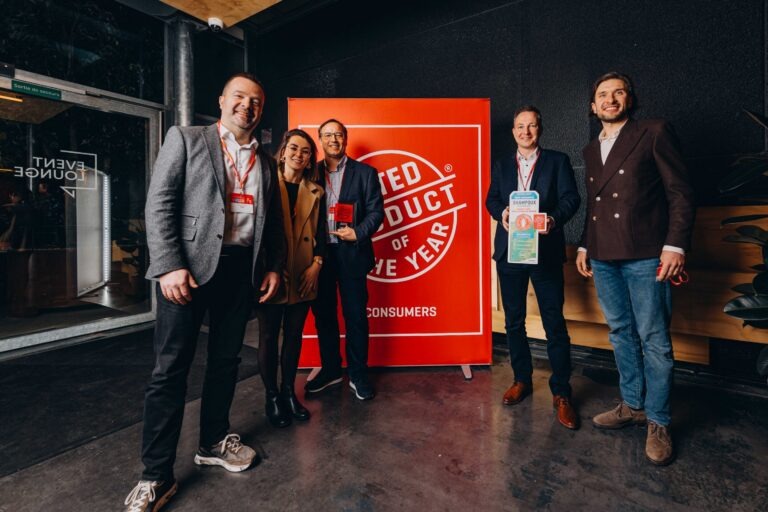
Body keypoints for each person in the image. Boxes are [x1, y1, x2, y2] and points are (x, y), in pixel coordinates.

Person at [123, 72, 285, 511]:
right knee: (170, 370)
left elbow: (272, 222)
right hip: (188, 272)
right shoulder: (187, 138)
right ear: (222, 100)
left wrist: (272, 266)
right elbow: (160, 203)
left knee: (226, 362)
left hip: (241, 272)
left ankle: (213, 442)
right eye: (239, 97)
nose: (247, 106)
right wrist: (168, 264)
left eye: (255, 101)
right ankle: (156, 474)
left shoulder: (266, 162)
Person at [575, 72, 695, 465]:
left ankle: (658, 420)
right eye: (602, 95)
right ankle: (632, 404)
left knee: (654, 339)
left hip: (647, 254)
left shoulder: (653, 132)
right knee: (620, 333)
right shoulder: (591, 149)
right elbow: (595, 205)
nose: (610, 99)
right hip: (603, 255)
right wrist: (584, 244)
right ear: (593, 106)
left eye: (618, 92)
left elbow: (680, 192)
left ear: (630, 98)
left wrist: (675, 245)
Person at [485, 105, 581, 429]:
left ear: (540, 129)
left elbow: (571, 199)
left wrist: (552, 219)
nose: (525, 131)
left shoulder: (557, 161)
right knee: (514, 322)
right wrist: (503, 213)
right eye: (520, 126)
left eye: (531, 126)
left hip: (545, 252)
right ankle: (521, 379)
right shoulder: (502, 165)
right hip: (510, 253)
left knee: (554, 322)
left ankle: (562, 392)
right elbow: (491, 200)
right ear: (513, 131)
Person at [305, 119, 384, 401]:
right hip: (320, 256)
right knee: (324, 316)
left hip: (352, 253)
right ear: (320, 140)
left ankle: (358, 373)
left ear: (346, 139)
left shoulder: (365, 173)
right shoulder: (309, 171)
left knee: (356, 317)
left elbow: (376, 212)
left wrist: (358, 232)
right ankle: (331, 370)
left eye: (338, 134)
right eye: (327, 135)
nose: (333, 140)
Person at [256, 129, 326, 427]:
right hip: (272, 273)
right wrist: (270, 266)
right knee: (268, 335)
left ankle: (288, 393)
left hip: (304, 273)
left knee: (294, 336)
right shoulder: (266, 183)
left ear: (311, 159)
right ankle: (271, 396)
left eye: (306, 151)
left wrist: (317, 265)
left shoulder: (317, 191)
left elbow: (322, 233)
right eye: (294, 148)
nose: (299, 155)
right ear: (283, 152)